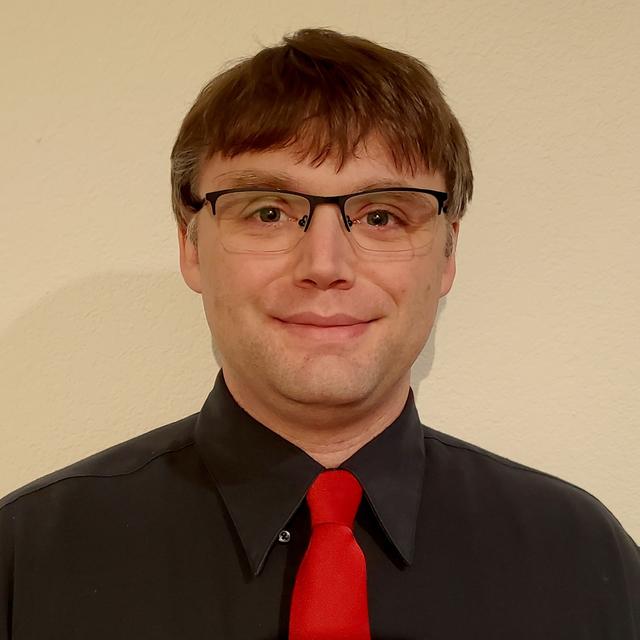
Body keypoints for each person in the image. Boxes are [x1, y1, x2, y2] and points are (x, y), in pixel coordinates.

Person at [1, 28, 638, 640]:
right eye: (268, 212)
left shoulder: (584, 559)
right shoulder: (24, 562)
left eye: (382, 215)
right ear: (190, 246)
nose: (325, 265)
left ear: (447, 254)